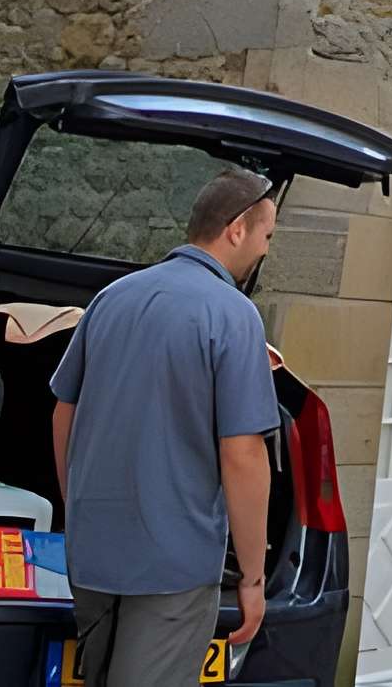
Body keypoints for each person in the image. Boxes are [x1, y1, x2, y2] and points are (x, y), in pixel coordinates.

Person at [49, 168, 281, 687]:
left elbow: (65, 411)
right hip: (172, 572)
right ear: (237, 229)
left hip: (92, 557)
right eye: (266, 236)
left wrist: (76, 506)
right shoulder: (233, 314)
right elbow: (243, 455)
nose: (265, 250)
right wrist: (252, 578)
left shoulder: (111, 298)